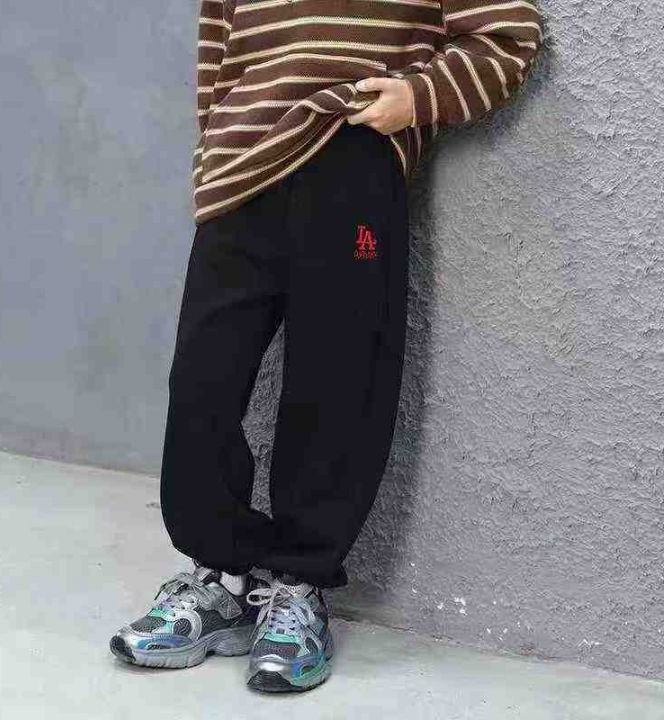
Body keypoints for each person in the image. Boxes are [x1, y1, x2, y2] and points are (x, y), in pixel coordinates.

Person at [110, 0, 543, 693]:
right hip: (242, 172)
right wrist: (213, 154)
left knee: (338, 382)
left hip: (350, 157)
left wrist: (418, 98)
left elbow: (508, 36)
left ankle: (299, 586)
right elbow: (217, 57)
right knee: (202, 380)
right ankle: (220, 580)